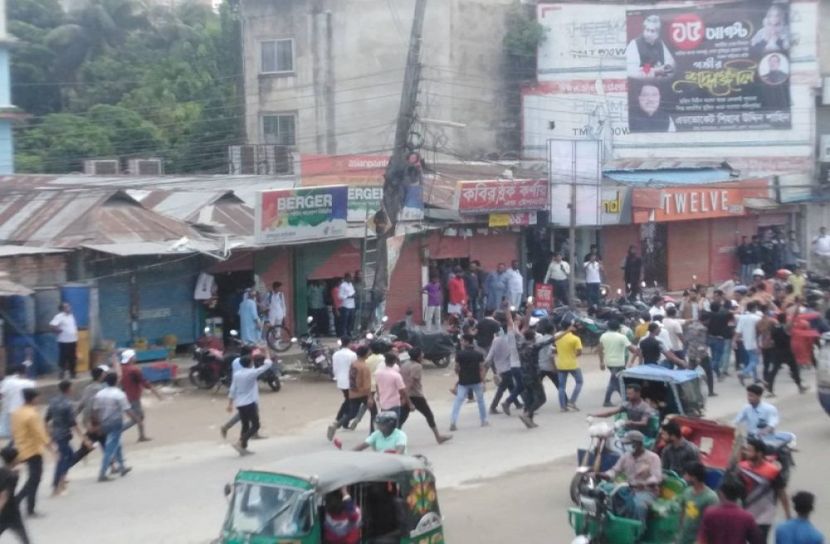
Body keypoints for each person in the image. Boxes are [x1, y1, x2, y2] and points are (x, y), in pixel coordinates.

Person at [601, 430, 662, 524]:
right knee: (604, 494)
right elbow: (615, 470)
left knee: (638, 505)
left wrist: (645, 483)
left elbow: (656, 477)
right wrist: (604, 475)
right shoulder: (626, 456)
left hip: (646, 491)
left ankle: (638, 529)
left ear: (637, 444)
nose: (625, 446)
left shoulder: (653, 457)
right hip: (628, 488)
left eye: (628, 444)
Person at [739, 437, 792, 541]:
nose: (746, 453)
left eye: (749, 450)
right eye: (746, 450)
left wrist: (787, 514)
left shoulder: (773, 471)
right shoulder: (742, 467)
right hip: (745, 514)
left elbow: (781, 493)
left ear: (759, 453)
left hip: (764, 517)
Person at [11, 389, 51, 516]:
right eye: (37, 398)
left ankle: (20, 504)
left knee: (33, 479)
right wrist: (51, 447)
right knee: (34, 479)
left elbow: (14, 431)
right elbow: (39, 433)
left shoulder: (16, 413)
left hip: (21, 448)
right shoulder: (32, 415)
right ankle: (23, 505)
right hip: (33, 450)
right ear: (33, 399)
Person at [92, 373, 138, 481]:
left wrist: (98, 424)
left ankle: (122, 467)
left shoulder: (99, 394)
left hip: (104, 423)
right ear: (116, 381)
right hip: (115, 422)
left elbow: (95, 411)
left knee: (117, 444)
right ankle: (102, 473)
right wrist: (136, 419)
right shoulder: (119, 394)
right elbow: (127, 409)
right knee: (110, 448)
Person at [399, 348, 451, 444]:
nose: (423, 355)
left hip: (406, 394)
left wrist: (403, 396)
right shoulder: (417, 366)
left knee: (401, 418)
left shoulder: (405, 364)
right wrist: (407, 399)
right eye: (421, 354)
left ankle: (391, 438)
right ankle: (438, 437)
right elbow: (411, 383)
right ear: (418, 357)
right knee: (429, 415)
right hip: (415, 395)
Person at [226, 351, 274, 455]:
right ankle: (240, 442)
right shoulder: (252, 373)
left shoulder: (237, 375)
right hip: (249, 403)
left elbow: (233, 389)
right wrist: (266, 351)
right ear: (249, 364)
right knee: (256, 425)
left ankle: (243, 448)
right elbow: (267, 365)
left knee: (245, 425)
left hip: (240, 404)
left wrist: (230, 404)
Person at [45, 380, 86, 497]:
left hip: (56, 434)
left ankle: (62, 478)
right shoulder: (68, 404)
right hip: (63, 435)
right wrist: (83, 437)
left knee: (70, 456)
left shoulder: (53, 402)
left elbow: (46, 419)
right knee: (63, 460)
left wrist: (48, 433)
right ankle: (57, 485)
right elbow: (73, 423)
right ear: (68, 389)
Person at [699, 478, 764, 544]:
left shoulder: (710, 513)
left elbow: (702, 539)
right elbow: (757, 541)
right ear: (738, 496)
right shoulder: (747, 517)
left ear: (721, 493)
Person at [120, 349, 161, 442]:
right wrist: (156, 393)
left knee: (139, 416)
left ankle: (142, 436)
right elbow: (145, 382)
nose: (135, 357)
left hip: (126, 395)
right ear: (131, 358)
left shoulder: (122, 368)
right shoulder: (134, 370)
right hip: (133, 396)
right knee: (137, 418)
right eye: (134, 356)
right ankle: (118, 431)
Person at [485, 310, 522, 415]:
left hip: (500, 368)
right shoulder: (510, 340)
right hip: (509, 367)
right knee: (503, 388)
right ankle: (494, 406)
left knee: (510, 386)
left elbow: (490, 356)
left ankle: (517, 403)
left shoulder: (496, 340)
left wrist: (485, 365)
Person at [71, 365, 109, 466]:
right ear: (101, 376)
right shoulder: (100, 389)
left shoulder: (88, 388)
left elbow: (82, 403)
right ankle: (66, 465)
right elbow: (96, 407)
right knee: (97, 442)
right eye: (104, 374)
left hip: (90, 420)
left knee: (103, 441)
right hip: (96, 421)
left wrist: (75, 415)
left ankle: (113, 465)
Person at [450, 334, 488, 431]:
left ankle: (453, 422)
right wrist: (483, 382)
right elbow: (482, 369)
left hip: (463, 381)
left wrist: (459, 372)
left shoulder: (459, 354)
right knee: (480, 401)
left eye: (462, 340)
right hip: (476, 380)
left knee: (458, 401)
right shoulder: (478, 354)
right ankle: (484, 420)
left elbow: (456, 368)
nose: (461, 342)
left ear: (466, 342)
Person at [677, 461, 719, 544]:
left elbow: (712, 523)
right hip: (684, 537)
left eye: (686, 474)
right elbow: (682, 512)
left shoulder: (711, 498)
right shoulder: (687, 492)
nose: (684, 477)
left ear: (694, 477)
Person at [598, 320, 637, 406]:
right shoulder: (622, 337)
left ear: (608, 327)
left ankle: (626, 399)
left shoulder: (603, 336)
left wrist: (601, 362)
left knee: (617, 381)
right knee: (613, 382)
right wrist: (637, 351)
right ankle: (607, 401)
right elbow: (632, 349)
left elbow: (600, 349)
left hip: (609, 362)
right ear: (618, 328)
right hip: (619, 363)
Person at [625, 13, 675, 80]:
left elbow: (671, 64)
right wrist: (655, 71)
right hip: (641, 83)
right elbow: (631, 71)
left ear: (658, 34)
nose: (648, 34)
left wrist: (666, 67)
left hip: (660, 82)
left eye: (652, 31)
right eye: (647, 30)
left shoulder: (660, 43)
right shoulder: (634, 44)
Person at [591, 383, 657, 433]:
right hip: (627, 430)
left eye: (630, 394)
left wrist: (630, 422)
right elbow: (610, 413)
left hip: (640, 433)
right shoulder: (627, 405)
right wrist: (595, 415)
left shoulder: (645, 407)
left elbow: (644, 422)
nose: (628, 396)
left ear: (638, 393)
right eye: (627, 394)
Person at [768, 313, 806, 396]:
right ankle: (800, 387)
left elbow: (770, 341)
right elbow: (791, 322)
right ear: (785, 319)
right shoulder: (786, 328)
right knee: (794, 369)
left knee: (774, 371)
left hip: (777, 352)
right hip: (787, 352)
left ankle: (770, 390)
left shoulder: (774, 328)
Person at [327, 337, 357, 441]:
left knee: (348, 400)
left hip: (340, 380)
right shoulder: (352, 354)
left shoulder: (336, 354)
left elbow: (334, 368)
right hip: (349, 381)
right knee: (350, 402)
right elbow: (354, 369)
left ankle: (342, 420)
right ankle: (340, 420)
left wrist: (336, 377)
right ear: (349, 343)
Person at [0, 445, 28, 542]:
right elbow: (4, 496)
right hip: (10, 512)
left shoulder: (3, 472)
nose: (19, 458)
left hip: (7, 512)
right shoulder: (12, 476)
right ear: (14, 460)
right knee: (24, 539)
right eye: (17, 457)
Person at [0, 364, 35, 441]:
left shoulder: (8, 382)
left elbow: (1, 395)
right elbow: (33, 398)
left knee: (15, 433)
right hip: (26, 410)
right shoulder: (30, 383)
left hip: (13, 411)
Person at [685, 312, 716, 396]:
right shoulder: (703, 329)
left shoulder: (690, 326)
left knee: (690, 373)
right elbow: (701, 343)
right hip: (701, 354)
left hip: (691, 352)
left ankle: (689, 392)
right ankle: (710, 391)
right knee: (709, 372)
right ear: (706, 320)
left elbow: (687, 340)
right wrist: (699, 356)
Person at [555, 321, 583, 412]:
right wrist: (574, 355)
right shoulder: (575, 338)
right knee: (579, 382)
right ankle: (572, 401)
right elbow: (579, 352)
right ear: (570, 327)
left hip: (561, 364)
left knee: (561, 386)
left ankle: (562, 406)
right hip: (572, 363)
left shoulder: (557, 336)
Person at [374, 353, 408, 422]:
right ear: (394, 361)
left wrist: (378, 395)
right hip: (394, 402)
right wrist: (404, 399)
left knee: (385, 422)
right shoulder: (396, 374)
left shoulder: (377, 373)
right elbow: (402, 389)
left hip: (383, 402)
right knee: (395, 423)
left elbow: (377, 385)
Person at [50, 302, 79, 380]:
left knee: (73, 357)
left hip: (73, 340)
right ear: (62, 309)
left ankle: (73, 373)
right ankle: (61, 374)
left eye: (69, 306)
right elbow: (52, 325)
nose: (69, 308)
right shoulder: (59, 316)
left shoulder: (71, 316)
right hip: (63, 341)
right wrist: (57, 330)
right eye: (67, 307)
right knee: (63, 358)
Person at [736, 302, 763, 385]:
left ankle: (755, 378)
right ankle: (744, 373)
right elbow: (760, 331)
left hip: (746, 342)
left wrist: (734, 340)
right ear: (754, 308)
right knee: (755, 361)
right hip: (755, 342)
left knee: (752, 359)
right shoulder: (757, 318)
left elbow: (738, 331)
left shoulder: (742, 318)